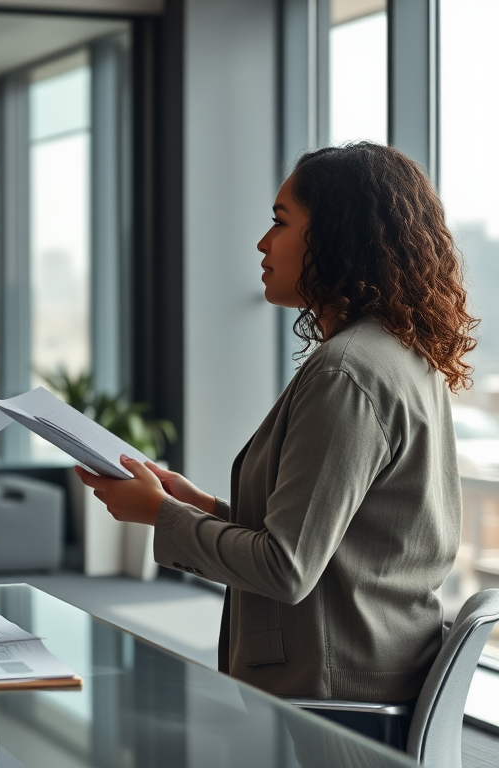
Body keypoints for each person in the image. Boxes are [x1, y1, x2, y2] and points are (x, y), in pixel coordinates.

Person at [76, 142, 476, 746]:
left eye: (280, 222)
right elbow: (329, 541)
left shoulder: (349, 373)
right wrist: (197, 506)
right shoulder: (396, 357)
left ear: (338, 235)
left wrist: (158, 513)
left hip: (336, 707)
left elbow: (286, 568)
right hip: (365, 684)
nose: (263, 244)